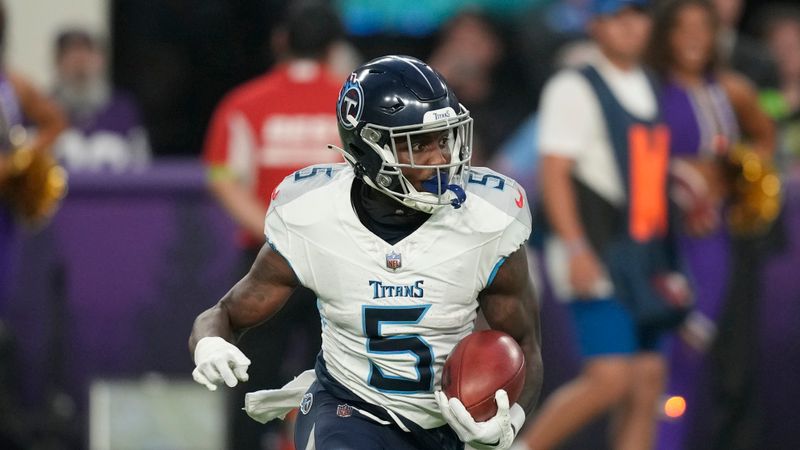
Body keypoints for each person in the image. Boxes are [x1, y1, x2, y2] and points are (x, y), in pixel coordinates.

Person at [189, 55, 543, 450]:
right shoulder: (315, 215)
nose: (441, 158)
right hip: (348, 410)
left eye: (444, 138)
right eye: (419, 144)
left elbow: (524, 345)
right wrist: (211, 342)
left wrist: (509, 422)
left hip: (448, 426)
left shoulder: (487, 218)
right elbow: (225, 313)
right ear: (369, 149)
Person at [517, 1, 690, 449]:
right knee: (611, 377)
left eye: (639, 13)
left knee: (648, 377)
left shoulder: (650, 82)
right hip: (596, 248)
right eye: (617, 15)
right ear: (595, 24)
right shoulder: (574, 86)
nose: (630, 25)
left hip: (644, 252)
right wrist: (576, 249)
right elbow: (554, 171)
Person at [200, 3, 347, 448]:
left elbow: (224, 179)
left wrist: (275, 230)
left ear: (282, 40)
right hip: (340, 259)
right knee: (344, 379)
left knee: (250, 378)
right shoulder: (351, 100)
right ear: (333, 48)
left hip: (266, 261)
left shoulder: (244, 102)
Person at [646, 1, 776, 449]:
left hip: (713, 245)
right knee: (656, 362)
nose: (694, 38)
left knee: (690, 360)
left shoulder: (730, 89)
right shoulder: (648, 90)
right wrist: (679, 181)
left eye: (703, 28)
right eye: (683, 29)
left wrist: (737, 172)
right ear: (666, 35)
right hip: (660, 241)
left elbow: (764, 136)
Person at [50, 28, 151, 172]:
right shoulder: (42, 110)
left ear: (101, 60)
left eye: (87, 54)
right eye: (71, 55)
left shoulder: (124, 108)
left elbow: (143, 164)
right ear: (58, 62)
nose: (80, 64)